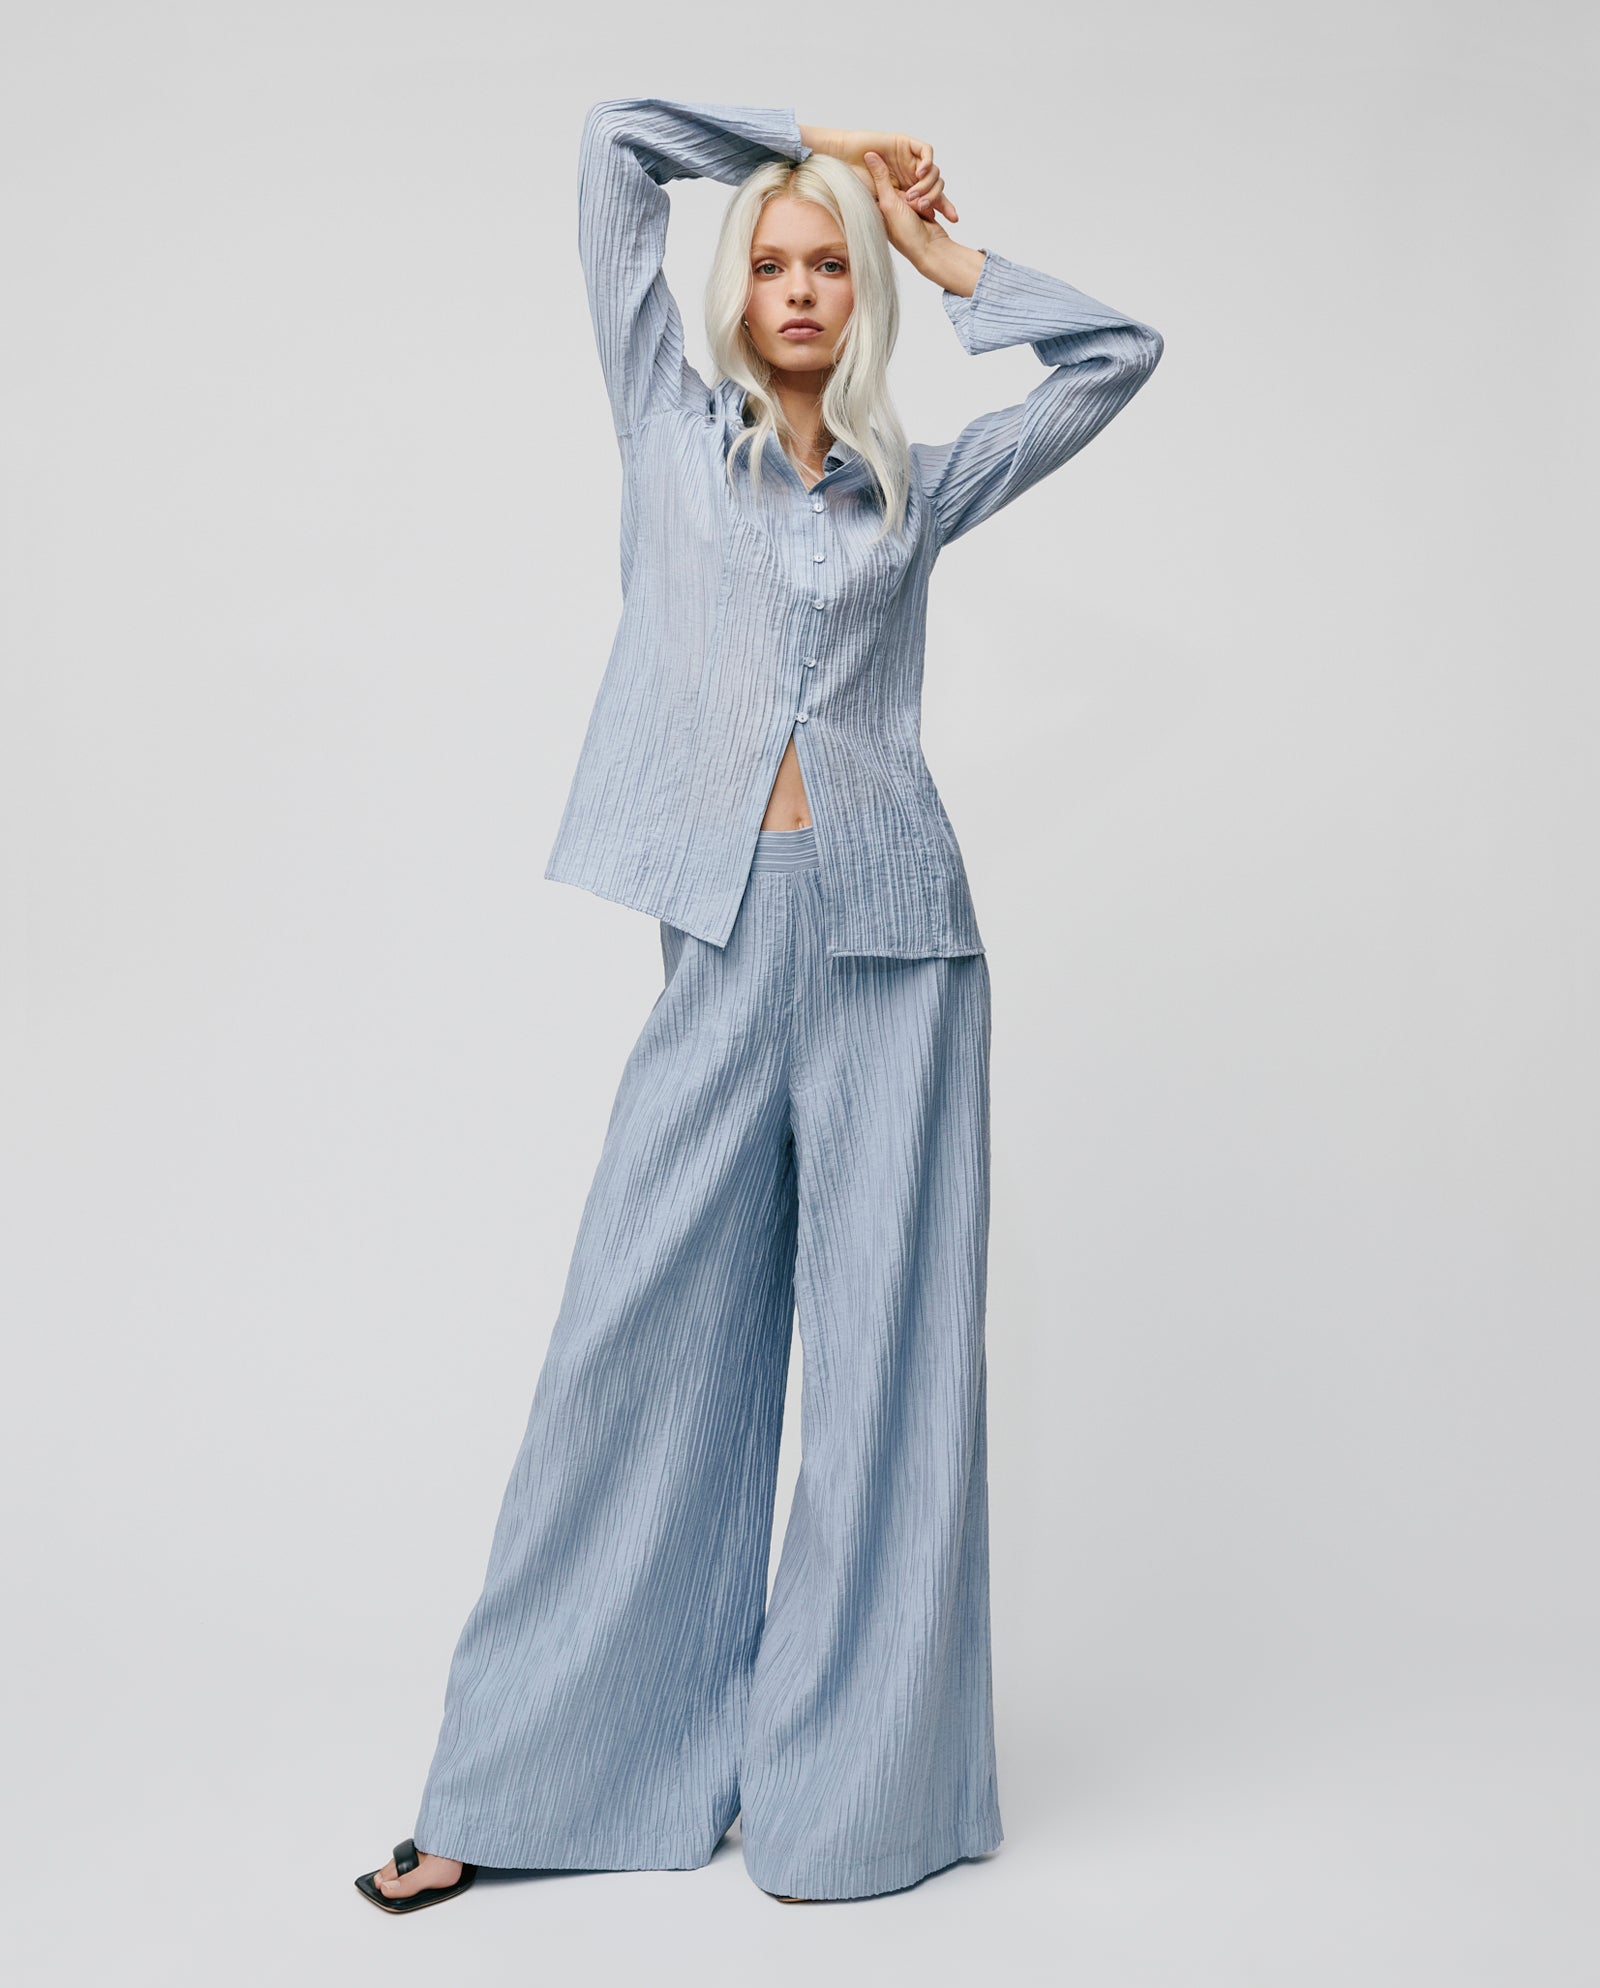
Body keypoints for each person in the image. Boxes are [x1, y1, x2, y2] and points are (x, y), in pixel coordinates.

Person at [354, 96, 1163, 1914]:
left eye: (831, 269)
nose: (800, 289)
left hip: (901, 947)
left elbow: (1118, 358)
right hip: (724, 941)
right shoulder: (665, 430)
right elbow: (611, 148)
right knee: (635, 1344)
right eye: (776, 265)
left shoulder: (917, 486)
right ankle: (522, 1782)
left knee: (889, 1366)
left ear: (860, 300)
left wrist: (944, 253)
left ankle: (850, 1804)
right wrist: (811, 141)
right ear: (736, 295)